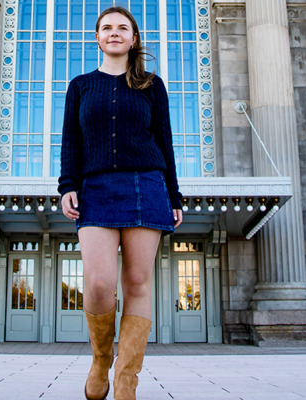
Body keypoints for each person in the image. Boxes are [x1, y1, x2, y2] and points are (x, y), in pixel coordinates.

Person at [57, 6, 183, 400]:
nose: (114, 33)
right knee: (98, 284)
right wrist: (66, 185)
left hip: (147, 184)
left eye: (122, 28)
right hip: (95, 188)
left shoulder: (151, 85)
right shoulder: (80, 86)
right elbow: (71, 142)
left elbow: (164, 142)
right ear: (97, 38)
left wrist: (174, 194)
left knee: (137, 281)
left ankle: (126, 380)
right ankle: (100, 358)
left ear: (133, 38)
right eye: (106, 28)